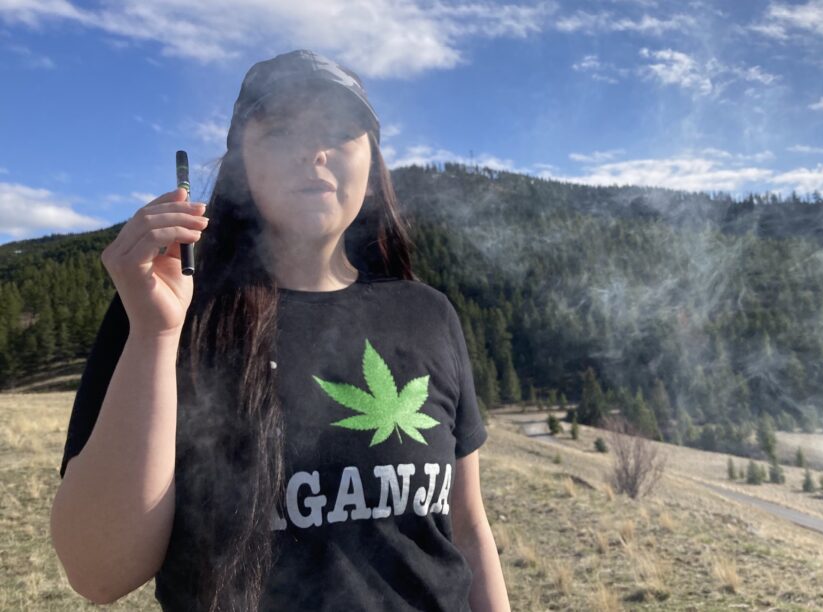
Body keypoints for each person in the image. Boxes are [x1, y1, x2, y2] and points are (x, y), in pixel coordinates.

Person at [50, 49, 510, 612]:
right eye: (281, 129)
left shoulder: (428, 314)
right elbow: (98, 573)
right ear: (241, 164)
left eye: (340, 131)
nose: (313, 151)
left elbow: (466, 528)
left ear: (372, 164)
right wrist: (154, 334)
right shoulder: (165, 312)